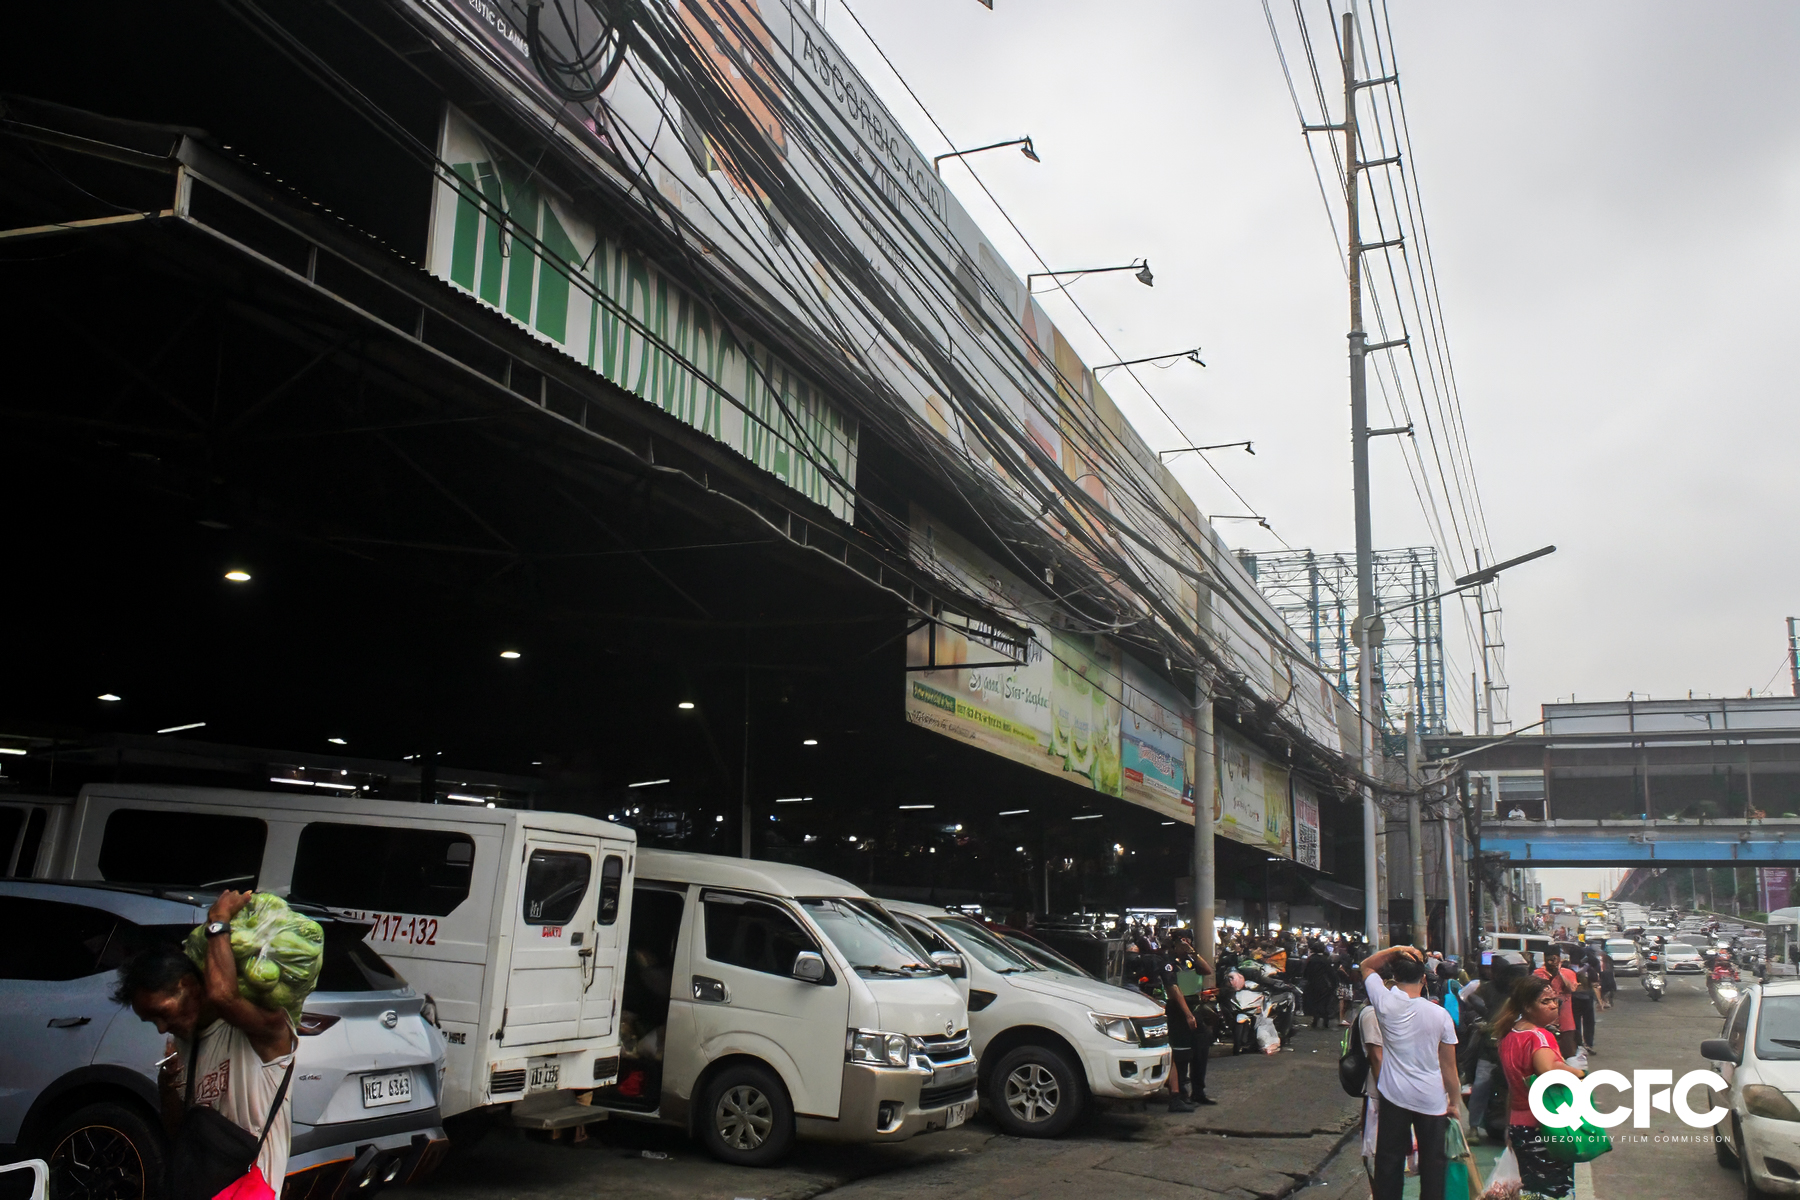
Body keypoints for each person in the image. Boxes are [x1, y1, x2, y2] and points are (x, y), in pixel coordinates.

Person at [112, 890, 298, 1194]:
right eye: (151, 1021)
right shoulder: (187, 1048)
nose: (161, 1029)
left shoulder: (266, 1029)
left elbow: (223, 996)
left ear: (186, 985)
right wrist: (168, 1086)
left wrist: (218, 919)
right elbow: (179, 1135)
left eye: (161, 1013)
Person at [1358, 945, 1460, 1200]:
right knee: (1433, 1166)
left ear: (1394, 977)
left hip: (1394, 1097)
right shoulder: (1440, 1015)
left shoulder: (1384, 1002)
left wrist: (1396, 950)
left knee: (1389, 1163)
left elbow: (1366, 966)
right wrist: (1455, 1103)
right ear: (1424, 979)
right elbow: (1449, 1067)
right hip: (1431, 1100)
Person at [1492, 974, 1584, 1199]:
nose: (1553, 1006)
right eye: (1545, 1002)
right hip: (1544, 1127)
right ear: (1527, 1006)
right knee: (1555, 1191)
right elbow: (1548, 1071)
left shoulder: (1509, 1035)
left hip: (1518, 1125)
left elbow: (1512, 1090)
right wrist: (1579, 1073)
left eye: (1555, 1001)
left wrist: (1508, 1128)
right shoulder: (1538, 1037)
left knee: (1530, 1191)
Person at [1164, 929, 1218, 1105]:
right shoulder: (1168, 961)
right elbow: (1174, 989)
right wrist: (1187, 1014)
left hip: (1196, 1008)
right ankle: (1180, 1093)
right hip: (1179, 1011)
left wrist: (1193, 953)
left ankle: (1198, 1091)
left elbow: (1207, 970)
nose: (1186, 944)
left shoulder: (1189, 960)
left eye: (1189, 941)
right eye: (1183, 941)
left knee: (1201, 1051)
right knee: (1181, 1054)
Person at [1532, 948, 1580, 1059]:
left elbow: (1571, 988)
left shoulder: (1568, 973)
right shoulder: (1538, 973)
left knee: (1568, 1052)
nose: (1551, 962)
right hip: (1544, 1018)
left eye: (1554, 958)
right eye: (1549, 958)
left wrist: (1558, 973)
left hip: (1565, 1018)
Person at [1302, 941, 1336, 1030]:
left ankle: (1315, 1021)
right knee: (1325, 1003)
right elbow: (1331, 973)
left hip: (1313, 984)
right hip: (1325, 985)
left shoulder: (1311, 959)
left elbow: (1306, 973)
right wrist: (1334, 983)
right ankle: (1326, 1022)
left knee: (1314, 1003)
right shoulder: (1326, 960)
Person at [1569, 951, 1598, 1053]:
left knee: (1576, 1023)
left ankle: (1579, 1044)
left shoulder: (1568, 969)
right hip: (1587, 998)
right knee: (1589, 1023)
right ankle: (1588, 1044)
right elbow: (1595, 983)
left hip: (1574, 999)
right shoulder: (1588, 968)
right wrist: (1599, 1001)